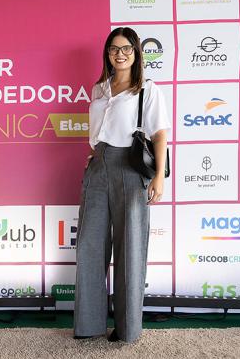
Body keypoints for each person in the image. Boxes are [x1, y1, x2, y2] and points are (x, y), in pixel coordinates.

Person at [73, 27, 171, 343]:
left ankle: (127, 329)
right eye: (114, 49)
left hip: (131, 167)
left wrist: (159, 176)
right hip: (99, 166)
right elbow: (97, 132)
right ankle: (89, 326)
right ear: (107, 53)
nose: (120, 54)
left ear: (136, 52)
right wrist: (94, 155)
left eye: (126, 48)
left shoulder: (148, 90)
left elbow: (159, 134)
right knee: (90, 245)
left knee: (130, 247)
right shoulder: (99, 89)